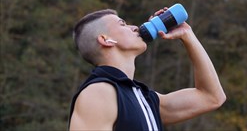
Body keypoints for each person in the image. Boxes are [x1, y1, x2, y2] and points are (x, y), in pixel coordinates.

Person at [68, 7, 226, 131]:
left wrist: (188, 36)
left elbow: (212, 97)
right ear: (106, 40)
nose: (135, 27)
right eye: (123, 24)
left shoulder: (145, 99)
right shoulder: (98, 93)